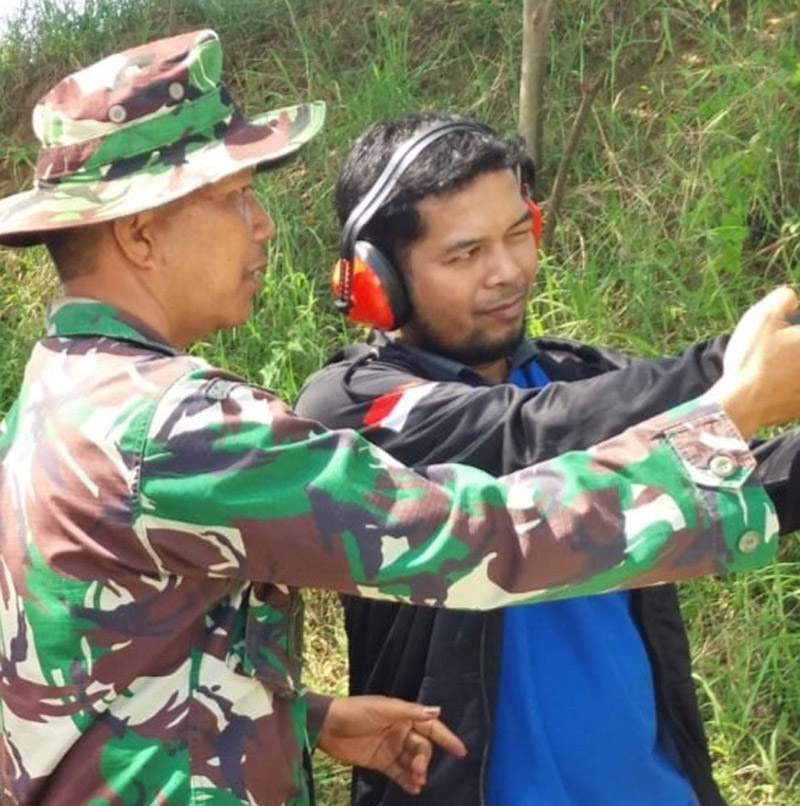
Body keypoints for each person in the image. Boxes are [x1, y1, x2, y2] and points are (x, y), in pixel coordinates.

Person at [1, 34, 799, 806]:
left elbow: (90, 667)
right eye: (233, 197)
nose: (262, 222)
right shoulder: (177, 427)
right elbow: (473, 536)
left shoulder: (58, 396)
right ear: (140, 233)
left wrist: (301, 717)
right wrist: (725, 410)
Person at [294, 112, 800, 806]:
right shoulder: (354, 409)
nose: (507, 271)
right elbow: (524, 436)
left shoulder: (582, 378)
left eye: (517, 233)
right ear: (381, 278)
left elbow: (746, 475)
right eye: (465, 254)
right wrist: (729, 376)